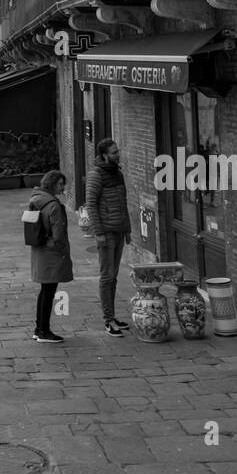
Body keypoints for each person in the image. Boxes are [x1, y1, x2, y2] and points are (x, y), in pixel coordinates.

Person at [85, 139, 132, 337]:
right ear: (104, 155)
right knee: (107, 276)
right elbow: (91, 204)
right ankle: (108, 320)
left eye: (117, 151)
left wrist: (127, 229)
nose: (117, 154)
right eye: (113, 152)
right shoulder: (96, 175)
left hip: (119, 231)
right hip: (106, 233)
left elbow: (123, 203)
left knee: (113, 277)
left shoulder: (117, 173)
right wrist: (99, 233)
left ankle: (112, 315)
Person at [28, 171, 73, 343]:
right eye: (61, 184)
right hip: (52, 253)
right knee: (49, 292)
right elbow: (59, 234)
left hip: (39, 250)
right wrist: (62, 250)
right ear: (52, 184)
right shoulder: (53, 205)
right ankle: (44, 331)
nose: (63, 187)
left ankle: (39, 328)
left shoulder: (36, 199)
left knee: (44, 291)